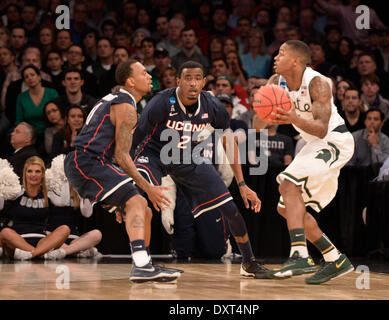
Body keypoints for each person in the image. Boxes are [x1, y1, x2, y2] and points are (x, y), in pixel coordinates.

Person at [132, 61, 270, 279]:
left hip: (188, 158)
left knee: (231, 208)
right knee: (136, 198)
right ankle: (142, 263)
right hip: (154, 154)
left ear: (204, 82)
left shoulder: (211, 104)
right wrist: (128, 181)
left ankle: (248, 262)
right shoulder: (160, 102)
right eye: (187, 78)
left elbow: (229, 141)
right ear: (178, 81)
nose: (193, 83)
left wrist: (242, 185)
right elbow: (134, 139)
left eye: (198, 78)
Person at [64, 59, 180, 283]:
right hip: (87, 161)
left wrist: (123, 194)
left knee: (142, 208)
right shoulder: (126, 106)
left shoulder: (118, 100)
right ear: (130, 81)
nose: (149, 76)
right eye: (144, 73)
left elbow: (116, 156)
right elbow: (122, 155)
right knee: (138, 200)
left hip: (92, 162)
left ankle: (144, 262)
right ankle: (141, 266)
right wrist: (147, 188)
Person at [257, 40, 355, 284]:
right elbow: (256, 126)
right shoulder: (275, 83)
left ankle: (299, 255)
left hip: (335, 140)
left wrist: (291, 116)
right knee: (286, 207)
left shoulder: (318, 83)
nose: (275, 57)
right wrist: (263, 110)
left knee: (288, 184)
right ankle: (335, 258)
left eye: (281, 53)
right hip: (313, 144)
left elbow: (322, 129)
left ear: (297, 60)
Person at [0, 156, 70, 260]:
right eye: (30, 171)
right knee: (5, 232)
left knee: (65, 229)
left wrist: (64, 178)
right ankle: (41, 255)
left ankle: (32, 254)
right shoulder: (17, 192)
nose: (33, 175)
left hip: (41, 241)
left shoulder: (48, 194)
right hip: (18, 240)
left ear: (43, 174)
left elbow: (64, 202)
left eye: (37, 171)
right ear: (25, 173)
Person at [16, 65, 58, 145]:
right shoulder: (21, 97)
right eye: (26, 77)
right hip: (30, 136)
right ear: (24, 81)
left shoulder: (52, 93)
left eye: (32, 75)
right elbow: (19, 120)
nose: (30, 78)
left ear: (39, 77)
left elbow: (58, 116)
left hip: (51, 132)